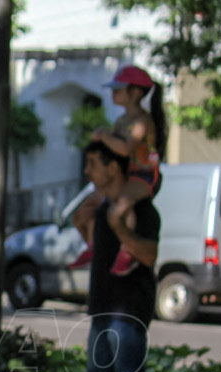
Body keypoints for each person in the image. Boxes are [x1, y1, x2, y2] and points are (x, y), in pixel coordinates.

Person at [73, 140, 160, 372]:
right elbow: (100, 252)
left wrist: (120, 228)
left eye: (93, 163)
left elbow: (148, 256)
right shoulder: (102, 207)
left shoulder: (142, 210)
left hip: (129, 313)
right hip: (101, 310)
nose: (87, 171)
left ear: (113, 167)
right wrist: (84, 227)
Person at [71, 64, 166, 275]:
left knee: (120, 208)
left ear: (135, 93)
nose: (113, 93)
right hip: (127, 174)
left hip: (145, 176)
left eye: (118, 89)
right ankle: (92, 245)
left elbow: (125, 149)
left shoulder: (141, 122)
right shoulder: (122, 121)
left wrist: (104, 136)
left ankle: (127, 252)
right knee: (82, 213)